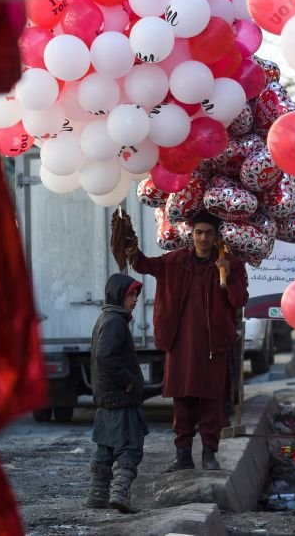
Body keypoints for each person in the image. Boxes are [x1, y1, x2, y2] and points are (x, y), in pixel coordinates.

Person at [119, 210, 249, 473]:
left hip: (215, 346)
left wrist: (229, 277)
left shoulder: (230, 264)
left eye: (209, 234)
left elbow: (240, 301)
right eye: (199, 232)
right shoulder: (175, 261)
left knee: (213, 403)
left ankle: (210, 455)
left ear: (216, 237)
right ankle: (183, 456)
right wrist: (130, 245)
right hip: (180, 345)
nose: (203, 238)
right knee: (183, 401)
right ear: (192, 234)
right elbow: (144, 264)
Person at [85, 273, 148, 513]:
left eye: (136, 295)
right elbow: (105, 356)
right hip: (120, 398)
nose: (135, 300)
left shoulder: (106, 317)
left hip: (107, 399)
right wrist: (128, 382)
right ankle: (120, 494)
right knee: (129, 447)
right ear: (119, 295)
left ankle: (97, 496)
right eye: (131, 294)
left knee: (106, 449)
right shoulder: (114, 322)